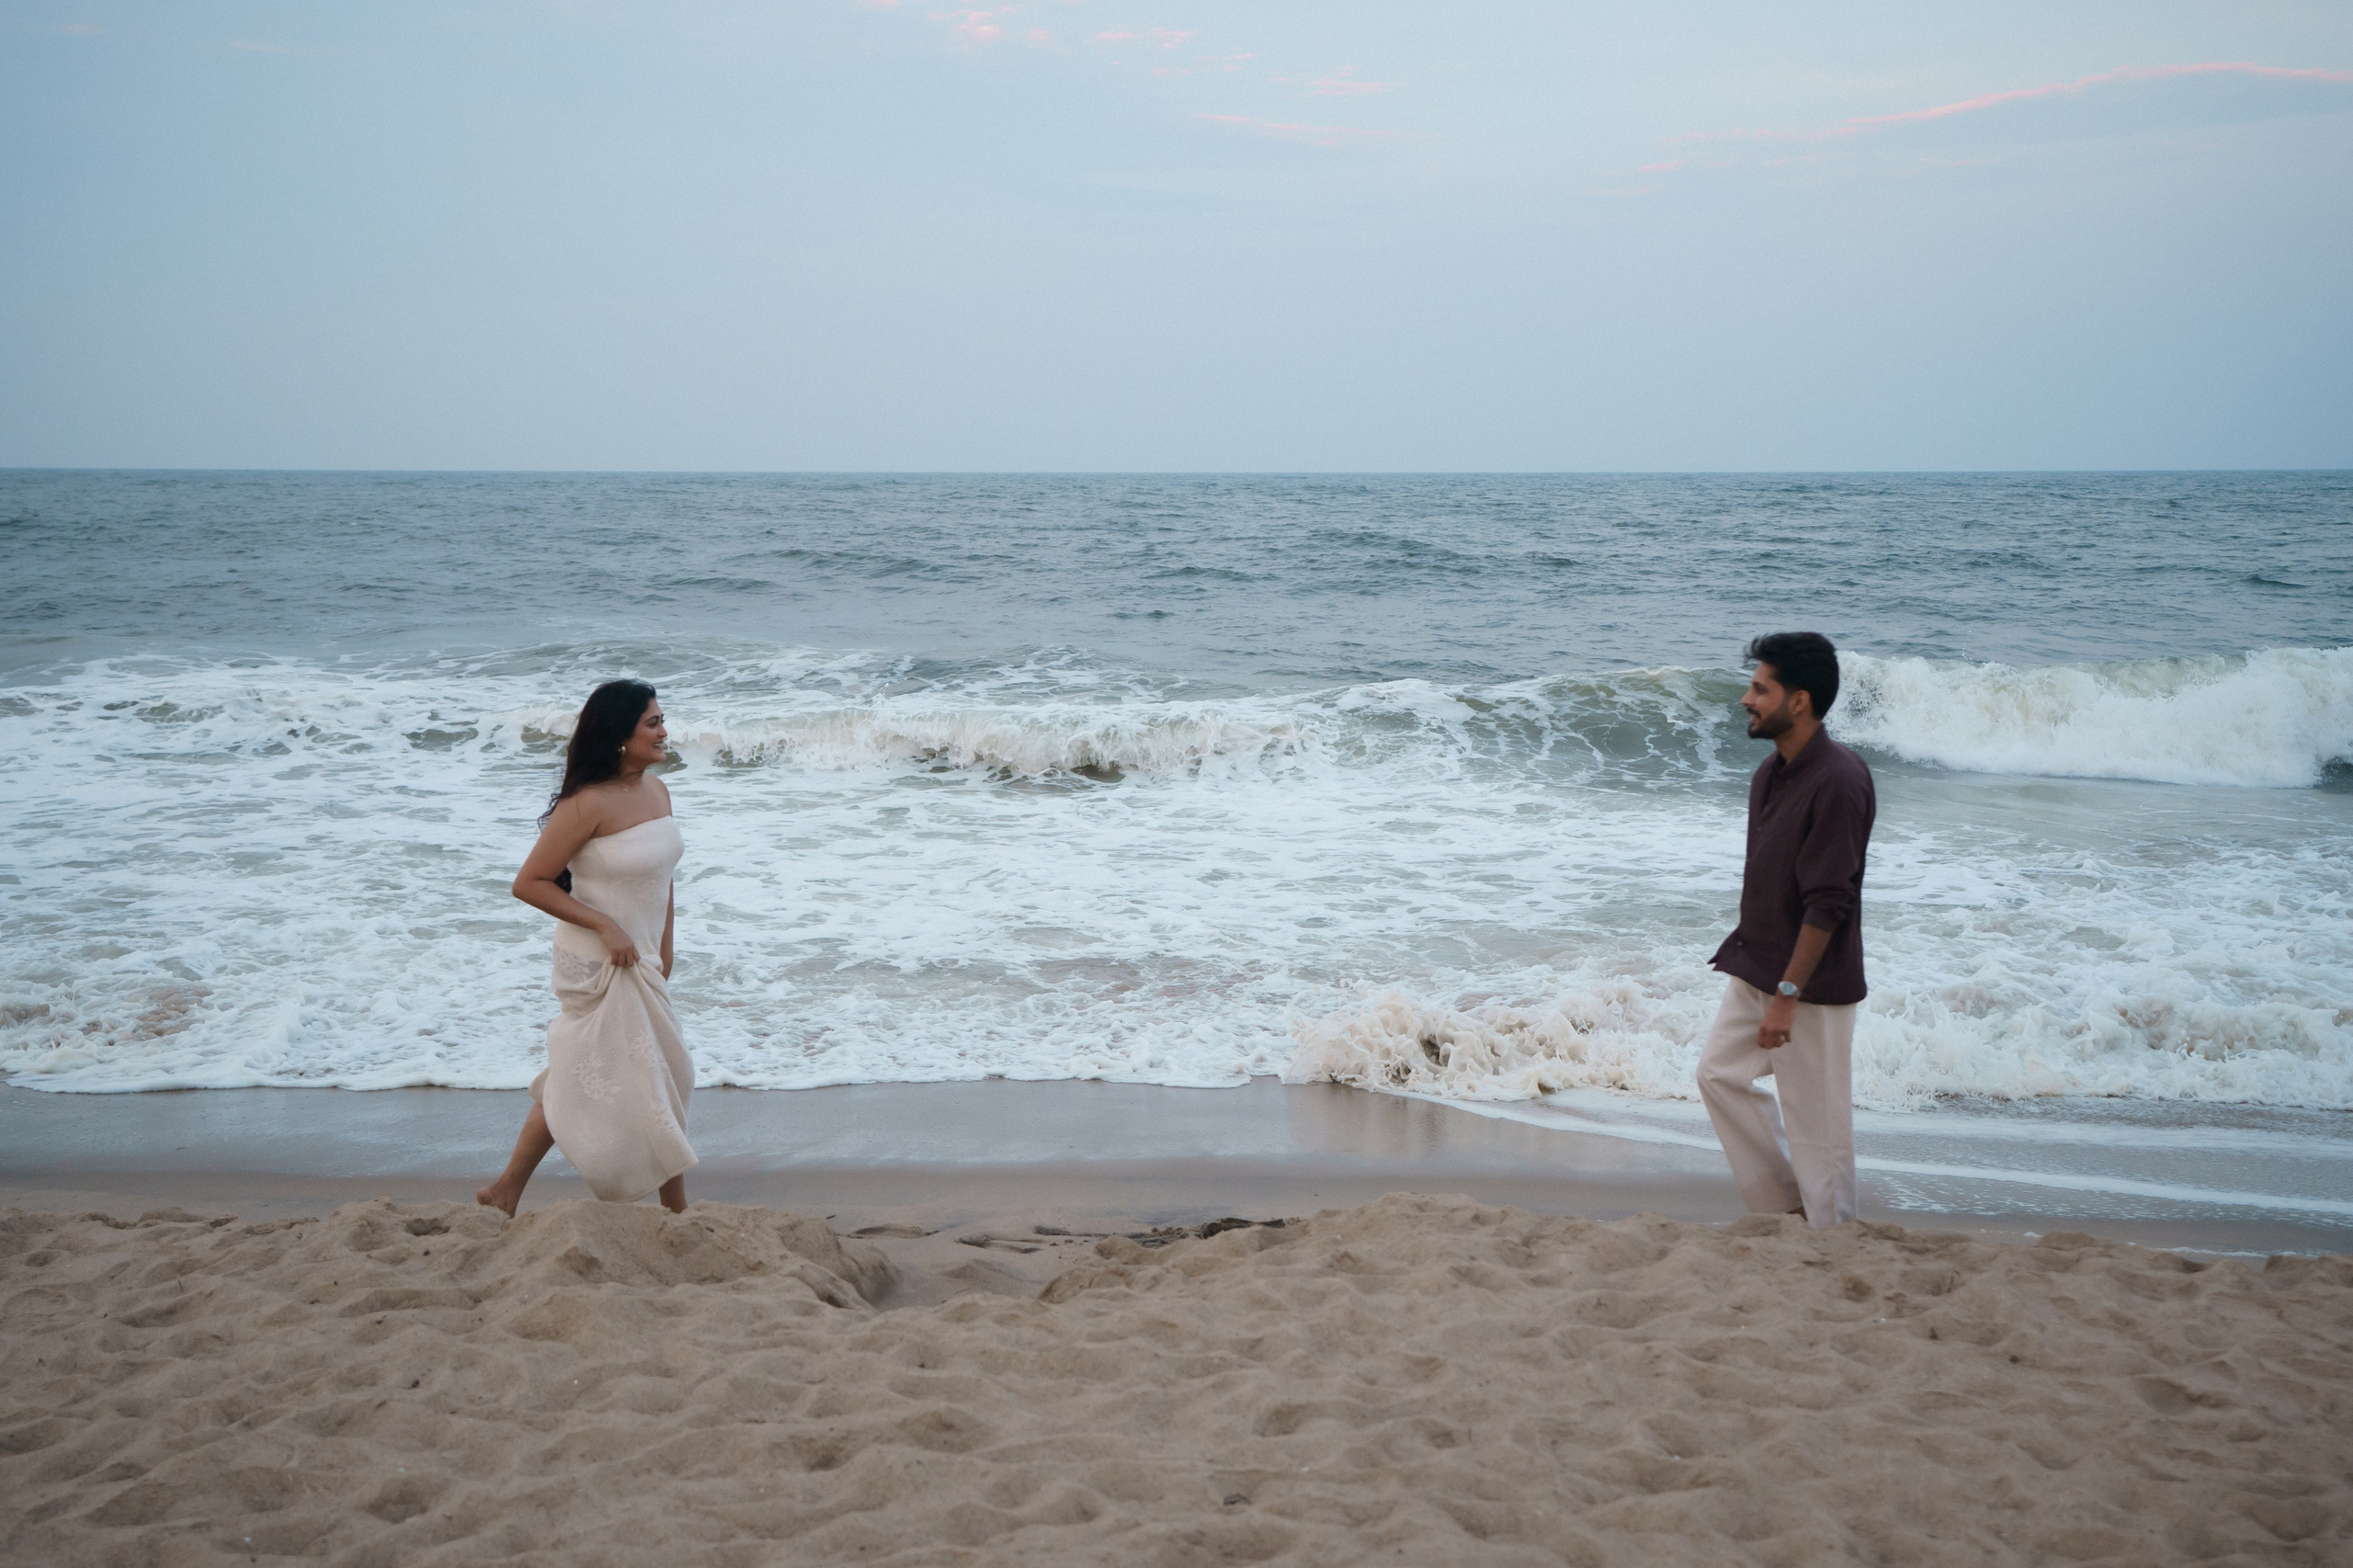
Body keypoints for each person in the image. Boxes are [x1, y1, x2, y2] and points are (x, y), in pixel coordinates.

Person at [476, 680, 697, 1216]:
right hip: (597, 960)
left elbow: (662, 879)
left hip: (640, 956)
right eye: (653, 723)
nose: (664, 731)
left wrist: (664, 949)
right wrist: (605, 926)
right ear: (620, 735)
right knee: (658, 1073)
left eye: (663, 720)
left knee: (588, 1071)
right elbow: (530, 882)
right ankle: (677, 1209)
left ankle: (504, 1191)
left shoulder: (657, 791)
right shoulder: (586, 805)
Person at [1696, 632, 1875, 1228]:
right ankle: (1784, 1209)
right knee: (1719, 1076)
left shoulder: (1839, 781)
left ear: (1798, 702)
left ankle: (1832, 1242)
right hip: (1757, 963)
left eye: (1759, 688)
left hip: (1810, 985)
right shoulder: (1772, 774)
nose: (1747, 699)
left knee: (1819, 1131)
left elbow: (1829, 903)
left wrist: (1788, 997)